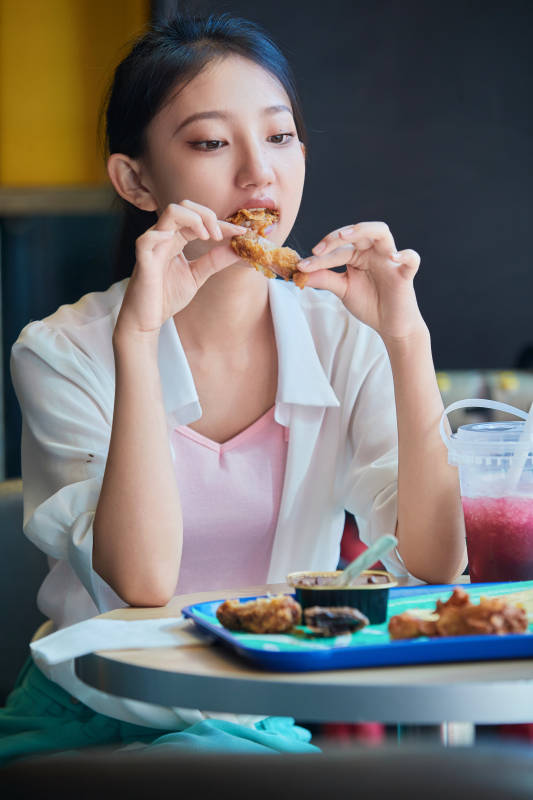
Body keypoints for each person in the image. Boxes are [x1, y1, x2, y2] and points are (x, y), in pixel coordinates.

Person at [0, 13, 466, 764]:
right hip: (83, 720)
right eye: (211, 143)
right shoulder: (61, 351)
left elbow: (437, 563)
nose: (260, 174)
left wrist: (405, 342)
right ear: (135, 179)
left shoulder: (344, 337)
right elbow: (143, 581)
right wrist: (139, 338)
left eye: (279, 136)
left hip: (251, 721)